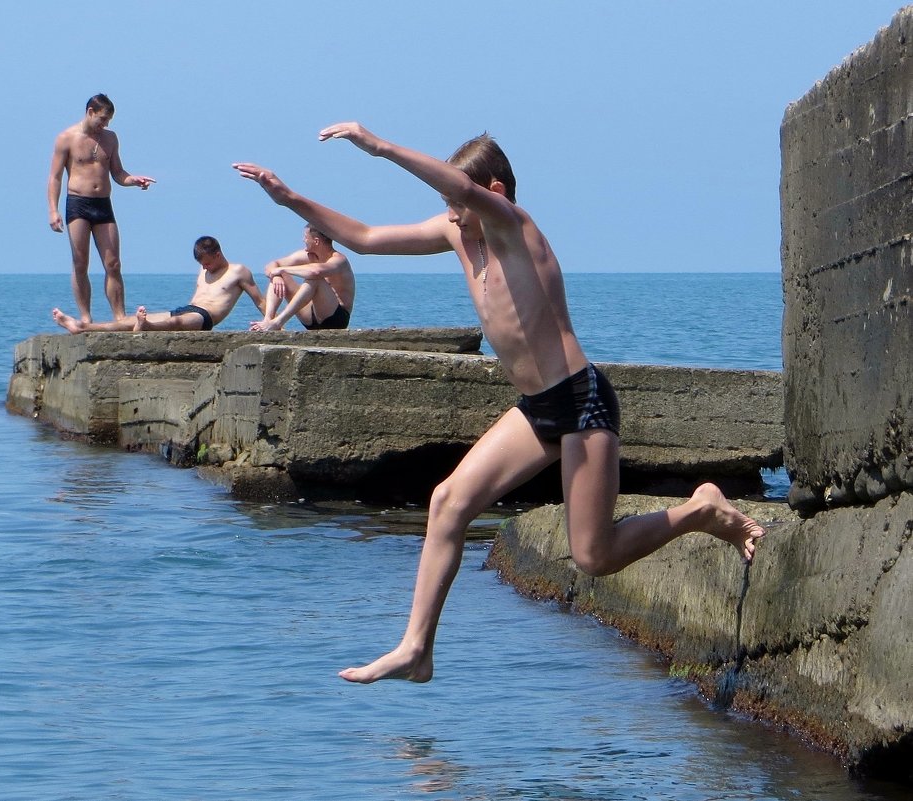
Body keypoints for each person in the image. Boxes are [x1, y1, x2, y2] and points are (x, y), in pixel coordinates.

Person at [233, 123, 766, 685]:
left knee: (593, 556)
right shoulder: (459, 233)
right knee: (446, 502)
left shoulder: (515, 227)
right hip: (536, 409)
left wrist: (380, 147)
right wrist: (290, 197)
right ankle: (417, 649)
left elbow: (466, 197)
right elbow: (364, 236)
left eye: (457, 200)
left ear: (495, 191)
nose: (451, 213)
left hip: (582, 404)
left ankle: (701, 510)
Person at [48, 93, 156, 324]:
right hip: (78, 203)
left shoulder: (110, 138)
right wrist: (53, 210)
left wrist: (133, 180)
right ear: (90, 112)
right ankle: (85, 316)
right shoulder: (66, 138)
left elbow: (118, 173)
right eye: (102, 119)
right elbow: (55, 177)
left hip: (103, 203)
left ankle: (119, 315)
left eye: (108, 121)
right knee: (80, 262)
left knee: (113, 263)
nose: (104, 125)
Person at [52, 236, 264, 333]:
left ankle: (147, 328)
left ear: (218, 254)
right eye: (202, 264)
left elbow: (260, 300)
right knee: (126, 321)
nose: (205, 268)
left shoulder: (238, 271)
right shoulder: (203, 268)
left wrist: (272, 322)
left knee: (176, 324)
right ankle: (82, 327)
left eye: (208, 262)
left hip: (205, 317)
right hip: (188, 310)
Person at [250, 224, 355, 331]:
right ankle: (268, 319)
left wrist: (282, 269)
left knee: (315, 279)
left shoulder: (339, 260)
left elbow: (316, 271)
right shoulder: (308, 255)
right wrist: (277, 275)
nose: (303, 240)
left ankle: (278, 322)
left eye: (305, 237)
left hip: (336, 319)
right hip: (310, 316)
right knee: (278, 275)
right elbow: (272, 265)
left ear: (316, 241)